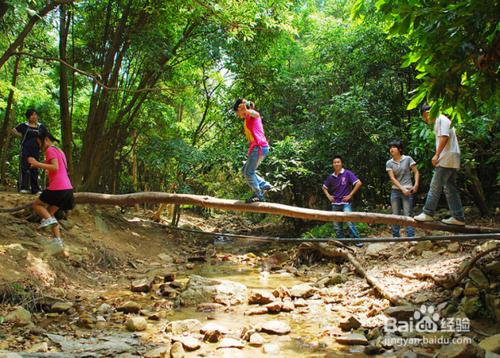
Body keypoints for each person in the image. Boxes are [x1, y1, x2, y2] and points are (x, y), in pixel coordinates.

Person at [414, 104, 465, 226]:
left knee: (435, 186)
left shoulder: (440, 119)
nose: (427, 121)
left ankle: (428, 213)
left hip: (446, 158)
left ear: (426, 113)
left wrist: (436, 155)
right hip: (452, 157)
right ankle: (458, 217)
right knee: (450, 189)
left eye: (425, 118)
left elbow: (444, 137)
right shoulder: (444, 119)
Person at [27, 127, 74, 251]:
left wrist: (37, 164)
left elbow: (55, 167)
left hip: (58, 187)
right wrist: (38, 163)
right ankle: (57, 241)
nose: (39, 146)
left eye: (39, 143)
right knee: (50, 214)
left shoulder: (49, 150)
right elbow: (57, 166)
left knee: (37, 205)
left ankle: (48, 222)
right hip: (68, 189)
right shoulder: (60, 151)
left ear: (46, 140)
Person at [233, 98, 272, 203]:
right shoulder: (247, 119)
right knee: (245, 170)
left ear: (241, 109)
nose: (237, 115)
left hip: (259, 148)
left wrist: (246, 110)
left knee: (249, 172)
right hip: (259, 148)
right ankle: (264, 185)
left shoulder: (252, 115)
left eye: (237, 112)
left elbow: (256, 114)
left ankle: (258, 195)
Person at [322, 155, 363, 247]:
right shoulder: (331, 177)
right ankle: (343, 245)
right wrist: (329, 196)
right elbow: (324, 187)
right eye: (334, 162)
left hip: (346, 203)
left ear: (341, 163)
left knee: (350, 222)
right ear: (333, 164)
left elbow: (358, 183)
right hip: (335, 204)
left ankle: (358, 242)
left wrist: (350, 195)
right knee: (337, 226)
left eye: (338, 162)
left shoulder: (347, 173)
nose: (336, 164)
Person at [386, 140, 420, 237]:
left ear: (399, 149)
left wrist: (416, 184)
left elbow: (416, 172)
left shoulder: (408, 159)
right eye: (390, 147)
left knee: (408, 214)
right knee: (395, 214)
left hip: (408, 190)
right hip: (395, 190)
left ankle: (411, 237)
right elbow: (392, 178)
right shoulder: (389, 163)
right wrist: (402, 189)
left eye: (394, 147)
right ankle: (395, 236)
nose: (391, 149)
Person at [11, 109, 46, 194]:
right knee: (24, 167)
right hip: (25, 149)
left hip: (36, 150)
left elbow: (45, 137)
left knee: (35, 167)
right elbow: (13, 130)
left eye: (35, 115)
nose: (34, 117)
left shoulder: (40, 126)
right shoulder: (24, 125)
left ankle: (35, 189)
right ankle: (23, 188)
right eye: (32, 115)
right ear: (28, 117)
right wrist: (20, 135)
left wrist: (43, 148)